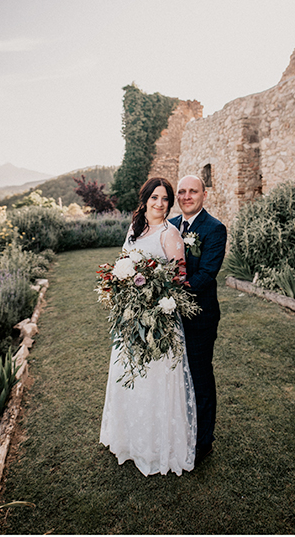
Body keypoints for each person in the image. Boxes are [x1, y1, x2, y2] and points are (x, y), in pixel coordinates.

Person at [100, 177, 197, 475]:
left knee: (155, 380)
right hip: (131, 318)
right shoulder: (135, 229)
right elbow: (122, 264)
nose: (160, 203)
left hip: (158, 320)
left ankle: (158, 447)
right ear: (144, 200)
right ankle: (130, 440)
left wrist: (153, 296)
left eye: (165, 199)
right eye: (154, 197)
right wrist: (119, 286)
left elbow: (178, 280)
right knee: (130, 375)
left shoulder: (170, 235)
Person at [170, 175, 228, 466]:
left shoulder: (214, 228)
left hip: (200, 316)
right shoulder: (169, 227)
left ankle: (204, 441)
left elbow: (206, 275)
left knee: (200, 375)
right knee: (176, 376)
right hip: (170, 317)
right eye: (181, 192)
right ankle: (181, 428)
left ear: (204, 194)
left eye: (193, 191)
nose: (186, 196)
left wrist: (171, 293)